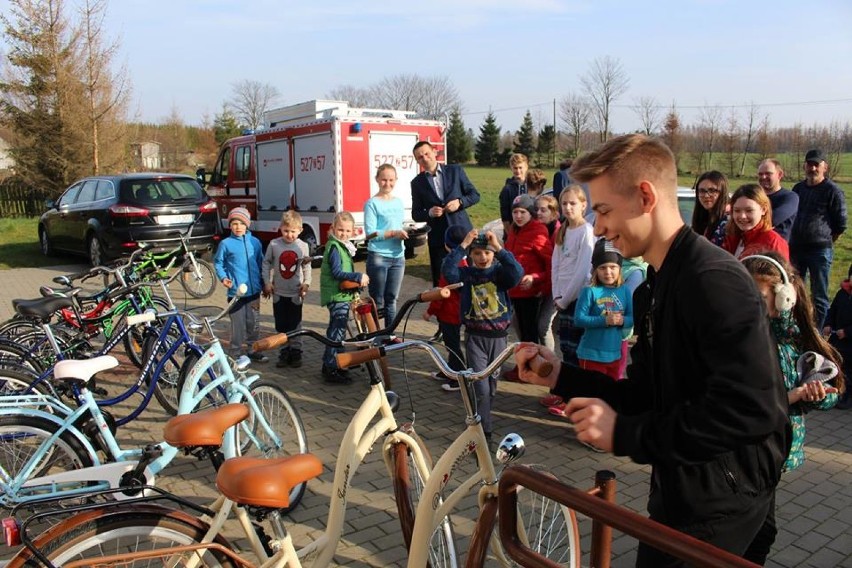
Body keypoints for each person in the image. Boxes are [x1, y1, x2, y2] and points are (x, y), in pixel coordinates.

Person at [514, 134, 790, 567]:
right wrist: (561, 376)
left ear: (645, 196)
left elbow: (751, 411)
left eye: (603, 210)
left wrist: (625, 434)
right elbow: (646, 393)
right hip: (682, 486)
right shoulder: (654, 286)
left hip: (719, 503)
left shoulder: (714, 281)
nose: (599, 226)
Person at [742, 253, 841, 471]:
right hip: (745, 451)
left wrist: (817, 395)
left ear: (783, 299)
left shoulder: (795, 339)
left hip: (779, 447)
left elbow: (830, 394)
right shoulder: (737, 338)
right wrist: (792, 396)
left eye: (759, 297)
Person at [442, 229, 522, 442]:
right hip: (474, 338)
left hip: (498, 338)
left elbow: (516, 273)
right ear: (471, 255)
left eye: (486, 253)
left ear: (493, 254)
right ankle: (483, 430)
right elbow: (448, 270)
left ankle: (481, 415)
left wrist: (500, 249)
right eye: (477, 253)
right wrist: (463, 246)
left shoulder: (499, 274)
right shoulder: (467, 276)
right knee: (481, 387)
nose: (482, 257)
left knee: (492, 388)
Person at [789, 148, 848, 329]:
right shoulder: (798, 189)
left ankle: (818, 333)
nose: (812, 168)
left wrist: (824, 239)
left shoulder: (833, 191)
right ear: (804, 166)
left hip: (819, 251)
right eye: (809, 164)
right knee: (795, 291)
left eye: (816, 165)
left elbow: (841, 223)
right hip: (796, 248)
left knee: (819, 296)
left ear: (824, 167)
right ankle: (797, 327)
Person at [411, 141, 480, 287]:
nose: (425, 158)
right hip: (438, 239)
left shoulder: (455, 171)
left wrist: (459, 202)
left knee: (468, 277)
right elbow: (416, 214)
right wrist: (429, 213)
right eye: (420, 157)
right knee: (442, 281)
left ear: (434, 152)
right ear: (417, 161)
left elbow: (474, 195)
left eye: (426, 153)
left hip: (462, 235)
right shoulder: (417, 183)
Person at [503, 194, 551, 381]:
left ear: (531, 213)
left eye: (523, 212)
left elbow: (550, 263)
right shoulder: (514, 230)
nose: (518, 216)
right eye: (515, 212)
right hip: (514, 290)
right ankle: (526, 366)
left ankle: (528, 369)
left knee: (529, 332)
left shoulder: (538, 232)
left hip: (529, 292)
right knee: (522, 331)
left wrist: (538, 281)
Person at [213, 207, 268, 363]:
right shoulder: (226, 244)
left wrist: (264, 284)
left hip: (254, 292)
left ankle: (253, 349)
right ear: (230, 225)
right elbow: (218, 262)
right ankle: (235, 353)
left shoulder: (255, 242)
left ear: (247, 225)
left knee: (253, 323)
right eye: (234, 224)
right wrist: (223, 278)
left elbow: (261, 263)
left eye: (241, 223)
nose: (238, 227)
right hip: (235, 293)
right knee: (238, 325)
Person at [319, 211, 368, 384]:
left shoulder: (342, 246)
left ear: (353, 231)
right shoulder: (334, 247)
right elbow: (337, 272)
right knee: (337, 331)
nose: (344, 234)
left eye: (348, 231)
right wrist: (357, 277)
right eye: (341, 230)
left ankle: (331, 364)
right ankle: (332, 368)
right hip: (335, 295)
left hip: (341, 294)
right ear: (333, 228)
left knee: (337, 330)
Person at [574, 239, 633, 381]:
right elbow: (579, 319)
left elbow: (632, 318)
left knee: (610, 395)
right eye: (602, 267)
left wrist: (621, 320)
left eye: (613, 267)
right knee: (592, 395)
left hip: (615, 355)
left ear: (620, 268)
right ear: (595, 270)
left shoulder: (625, 291)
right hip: (591, 355)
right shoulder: (590, 291)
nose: (608, 272)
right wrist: (604, 320)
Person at [551, 185, 595, 368]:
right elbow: (556, 265)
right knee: (566, 347)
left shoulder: (586, 231)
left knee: (576, 349)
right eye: (564, 203)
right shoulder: (563, 230)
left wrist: (566, 299)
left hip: (576, 299)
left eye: (573, 203)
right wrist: (556, 294)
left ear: (583, 205)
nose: (568, 207)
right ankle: (567, 393)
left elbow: (583, 271)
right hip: (562, 298)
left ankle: (577, 393)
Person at [262, 210, 311, 368]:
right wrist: (267, 282)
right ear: (280, 228)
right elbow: (266, 263)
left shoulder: (303, 246)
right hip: (278, 293)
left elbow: (306, 266)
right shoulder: (274, 244)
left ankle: (296, 352)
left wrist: (307, 283)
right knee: (281, 324)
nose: (289, 235)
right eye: (286, 231)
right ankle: (284, 351)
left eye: (293, 231)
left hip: (296, 293)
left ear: (300, 230)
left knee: (295, 324)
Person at [423, 225, 469, 393]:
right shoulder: (464, 263)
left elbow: (442, 294)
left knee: (453, 346)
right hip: (455, 312)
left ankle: (458, 376)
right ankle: (449, 370)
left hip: (449, 313)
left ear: (446, 244)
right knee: (451, 343)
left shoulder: (449, 266)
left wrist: (430, 311)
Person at [365, 163, 408, 326]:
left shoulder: (398, 202)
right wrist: (393, 233)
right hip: (378, 257)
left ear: (396, 180)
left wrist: (405, 232)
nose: (387, 184)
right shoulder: (372, 203)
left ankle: (390, 335)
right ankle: (375, 335)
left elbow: (398, 226)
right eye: (384, 180)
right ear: (377, 179)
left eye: (391, 180)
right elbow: (371, 234)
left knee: (392, 299)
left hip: (398, 256)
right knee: (378, 300)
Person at [722, 184, 789, 260]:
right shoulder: (732, 236)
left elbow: (781, 270)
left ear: (763, 210)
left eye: (749, 210)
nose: (742, 216)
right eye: (737, 211)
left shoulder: (773, 242)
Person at [823, 263, 852, 409]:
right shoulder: (842, 293)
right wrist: (828, 324)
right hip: (837, 341)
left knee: (848, 371)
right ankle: (836, 392)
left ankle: (846, 397)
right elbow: (832, 310)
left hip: (849, 343)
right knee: (836, 365)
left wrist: (847, 332)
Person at [535, 194, 561, 350]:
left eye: (543, 210)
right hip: (541, 283)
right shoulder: (537, 229)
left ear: (554, 213)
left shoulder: (558, 233)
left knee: (543, 326)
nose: (538, 213)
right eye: (536, 209)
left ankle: (550, 363)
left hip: (555, 286)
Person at [757, 158, 798, 242]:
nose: (763, 177)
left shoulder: (790, 198)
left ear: (779, 175)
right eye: (760, 174)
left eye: (768, 173)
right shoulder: (755, 197)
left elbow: (772, 219)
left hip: (776, 249)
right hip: (753, 246)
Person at [690, 170, 729, 247]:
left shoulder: (729, 221)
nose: (706, 195)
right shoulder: (703, 218)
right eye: (702, 191)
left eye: (712, 190)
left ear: (723, 192)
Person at [498, 153, 529, 237]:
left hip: (530, 231)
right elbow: (505, 217)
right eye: (515, 168)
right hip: (513, 232)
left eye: (520, 167)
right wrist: (511, 236)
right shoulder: (507, 189)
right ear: (511, 168)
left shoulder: (532, 185)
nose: (518, 171)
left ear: (526, 167)